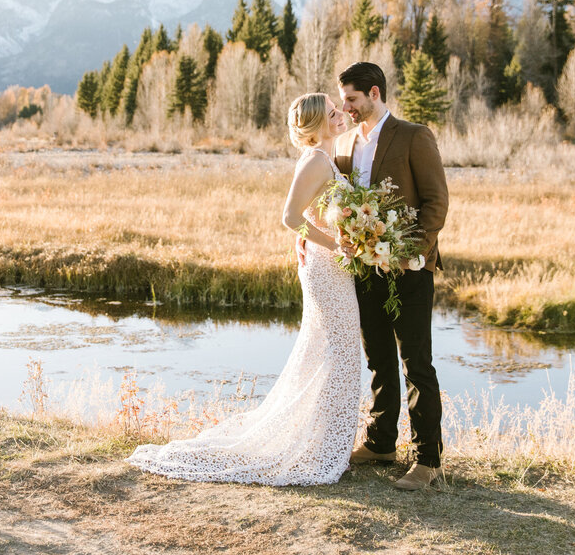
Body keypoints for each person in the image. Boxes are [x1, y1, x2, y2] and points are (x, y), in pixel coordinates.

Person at [127, 93, 360, 485]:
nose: (341, 115)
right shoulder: (317, 160)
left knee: (331, 351)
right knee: (335, 352)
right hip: (325, 269)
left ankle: (323, 442)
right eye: (333, 112)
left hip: (335, 267)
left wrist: (333, 235)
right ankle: (319, 447)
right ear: (318, 125)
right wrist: (334, 243)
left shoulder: (326, 159)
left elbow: (310, 215)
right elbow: (289, 217)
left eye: (340, 110)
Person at [321, 61, 449, 491]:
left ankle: (428, 461)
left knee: (416, 364)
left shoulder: (413, 136)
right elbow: (335, 200)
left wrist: (410, 253)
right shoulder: (344, 144)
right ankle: (380, 443)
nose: (347, 109)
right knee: (377, 359)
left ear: (374, 93)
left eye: (353, 100)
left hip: (408, 270)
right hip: (363, 270)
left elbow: (436, 201)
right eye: (344, 102)